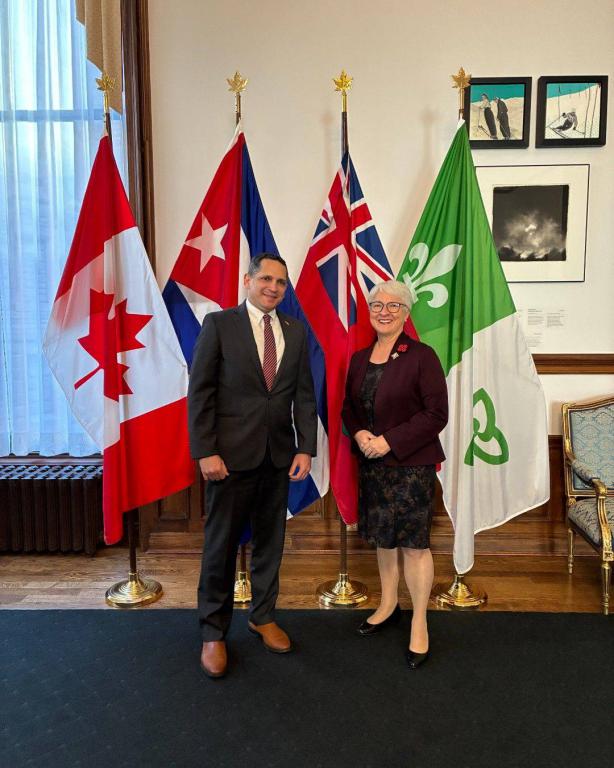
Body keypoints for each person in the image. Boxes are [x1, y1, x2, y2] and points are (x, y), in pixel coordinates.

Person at [188, 252, 317, 678]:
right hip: (228, 460)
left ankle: (262, 616)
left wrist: (305, 448)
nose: (273, 288)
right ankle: (213, 631)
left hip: (278, 457)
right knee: (220, 547)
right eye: (266, 279)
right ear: (248, 280)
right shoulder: (219, 325)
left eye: (281, 282)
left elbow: (303, 394)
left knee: (270, 544)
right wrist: (205, 451)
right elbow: (200, 392)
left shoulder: (295, 331)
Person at [342, 280, 448, 669]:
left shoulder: (422, 356)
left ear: (406, 313)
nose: (384, 312)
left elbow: (437, 414)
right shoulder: (359, 358)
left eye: (393, 306)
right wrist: (360, 433)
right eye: (377, 305)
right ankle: (389, 605)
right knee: (383, 540)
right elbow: (349, 408)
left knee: (414, 545)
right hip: (372, 465)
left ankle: (419, 622)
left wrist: (389, 441)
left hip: (411, 467)